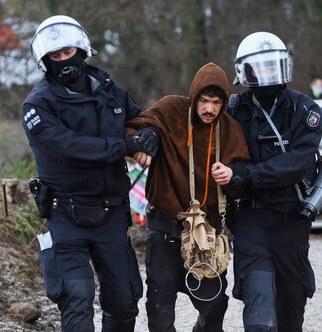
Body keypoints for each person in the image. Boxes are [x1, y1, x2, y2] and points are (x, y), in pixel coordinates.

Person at [22, 15, 157, 332]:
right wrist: (125, 147)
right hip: (66, 215)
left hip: (112, 213)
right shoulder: (36, 106)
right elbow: (71, 147)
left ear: (81, 49)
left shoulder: (112, 91)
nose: (63, 60)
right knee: (77, 297)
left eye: (67, 51)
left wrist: (152, 137)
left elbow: (142, 124)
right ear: (45, 61)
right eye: (55, 56)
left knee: (124, 300)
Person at [125, 62, 250, 332]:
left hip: (207, 234)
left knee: (214, 305)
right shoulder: (171, 110)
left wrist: (232, 175)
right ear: (194, 96)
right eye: (204, 101)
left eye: (217, 103)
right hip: (164, 227)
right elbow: (135, 128)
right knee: (159, 309)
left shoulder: (230, 130)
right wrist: (146, 140)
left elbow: (244, 176)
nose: (209, 109)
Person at [214, 31, 322, 332]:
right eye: (258, 68)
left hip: (292, 218)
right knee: (259, 309)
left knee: (291, 309)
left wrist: (248, 175)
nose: (266, 74)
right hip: (251, 219)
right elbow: (219, 154)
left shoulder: (306, 109)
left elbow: (297, 163)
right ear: (243, 72)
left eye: (272, 66)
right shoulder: (233, 111)